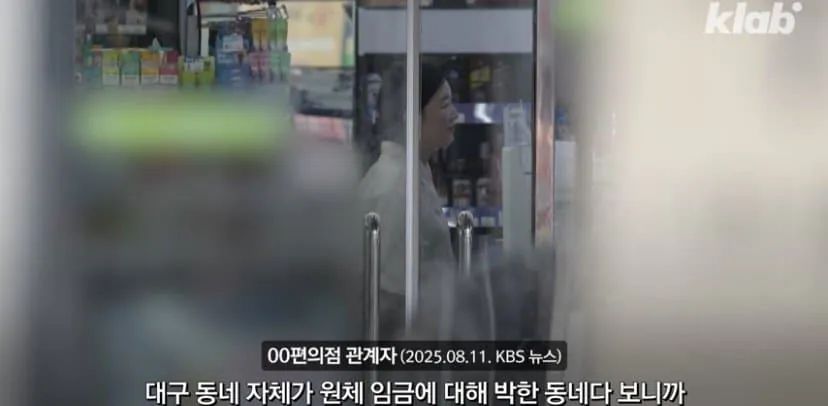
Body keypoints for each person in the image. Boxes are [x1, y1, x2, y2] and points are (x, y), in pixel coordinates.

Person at [357, 64, 459, 338]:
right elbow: (392, 298)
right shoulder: (396, 188)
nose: (455, 114)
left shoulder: (414, 171)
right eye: (444, 104)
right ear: (411, 117)